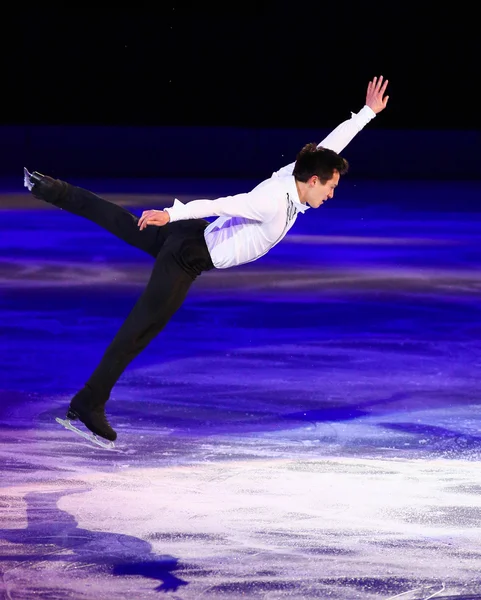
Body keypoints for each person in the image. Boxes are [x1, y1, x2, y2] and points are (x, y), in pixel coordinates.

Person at [24, 76, 389, 445]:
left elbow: (329, 145)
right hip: (186, 254)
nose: (330, 194)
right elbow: (222, 203)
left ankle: (54, 189)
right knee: (140, 329)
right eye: (330, 187)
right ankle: (89, 402)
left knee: (121, 221)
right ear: (313, 180)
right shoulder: (273, 201)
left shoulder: (294, 176)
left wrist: (367, 114)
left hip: (190, 237)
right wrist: (170, 213)